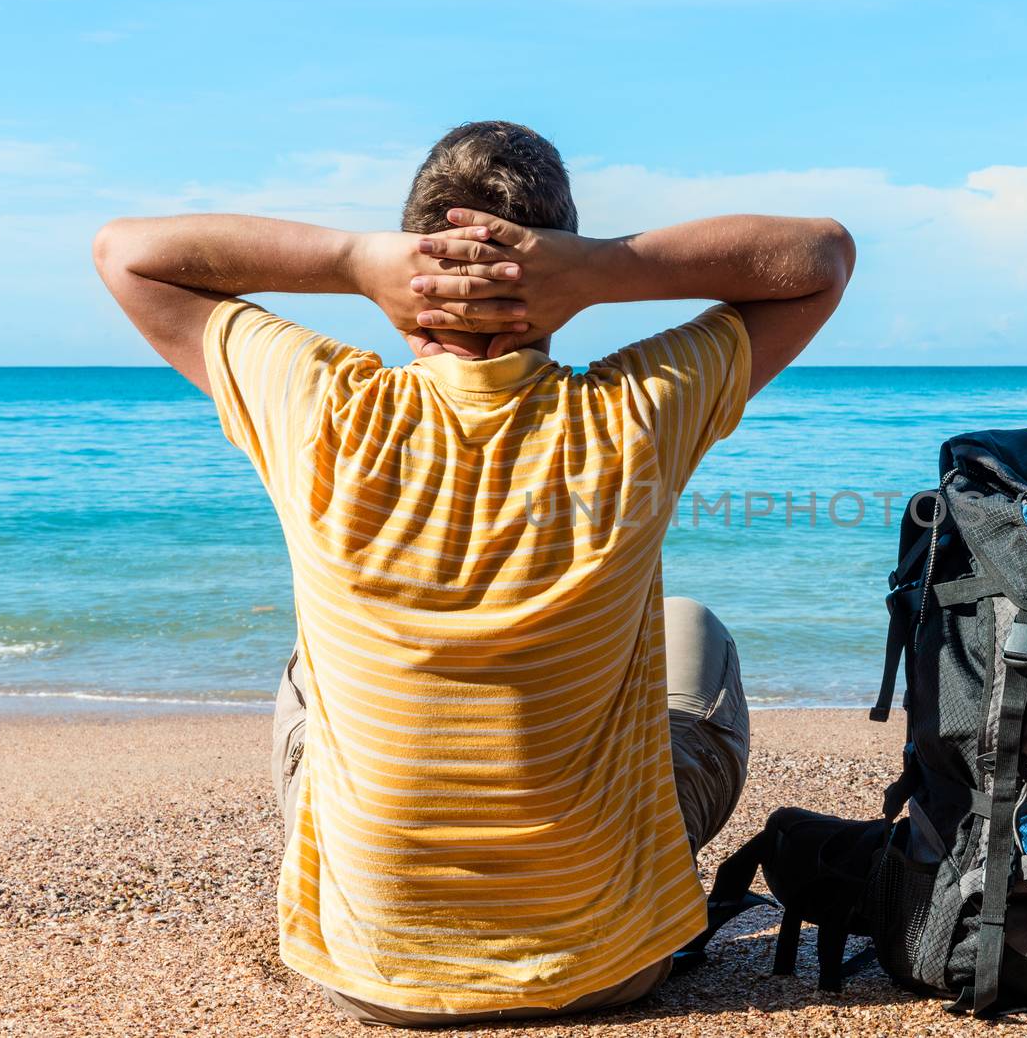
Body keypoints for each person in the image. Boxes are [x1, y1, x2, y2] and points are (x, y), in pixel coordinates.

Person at [92, 121, 854, 1025]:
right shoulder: (636, 410)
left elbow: (127, 253)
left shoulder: (318, 404)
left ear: (407, 266)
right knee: (694, 631)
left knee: (311, 669)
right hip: (605, 965)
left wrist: (353, 261)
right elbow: (822, 257)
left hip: (375, 977)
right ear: (554, 260)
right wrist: (604, 269)